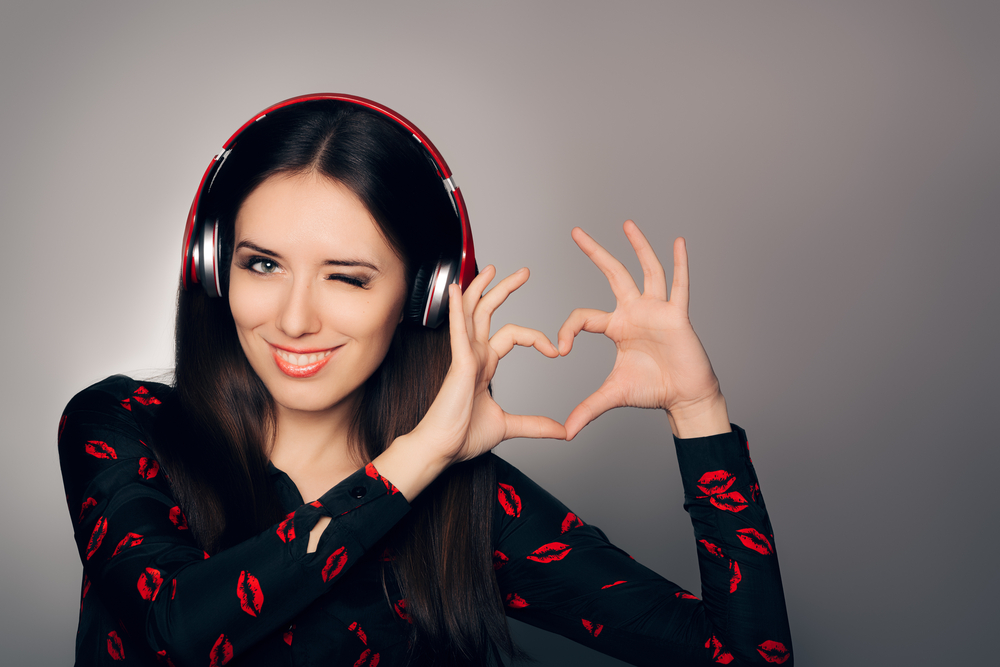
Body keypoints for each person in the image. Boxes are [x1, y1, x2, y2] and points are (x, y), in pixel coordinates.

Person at [59, 95, 792, 667]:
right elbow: (177, 634)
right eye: (262, 264)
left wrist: (699, 411)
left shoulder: (465, 501)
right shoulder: (124, 426)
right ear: (213, 267)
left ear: (423, 298)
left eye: (347, 278)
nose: (294, 317)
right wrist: (415, 458)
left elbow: (743, 656)